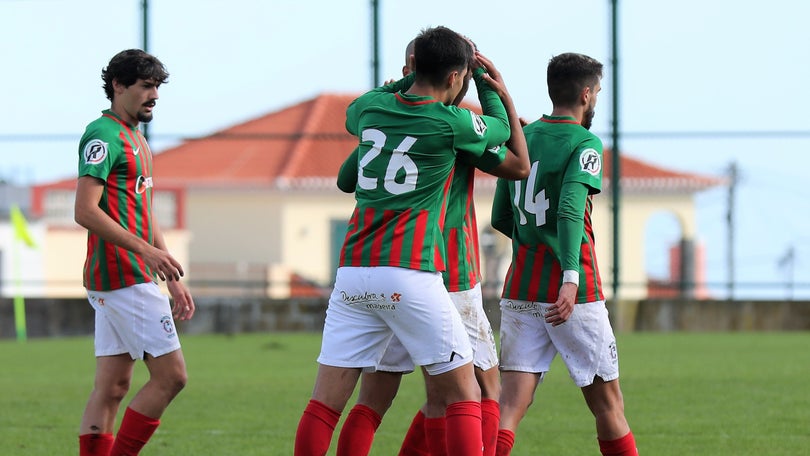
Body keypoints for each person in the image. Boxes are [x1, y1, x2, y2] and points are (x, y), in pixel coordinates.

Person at [294, 26, 519, 456]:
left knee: (325, 404)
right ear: (456, 77)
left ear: (412, 67)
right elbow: (500, 131)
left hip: (353, 271)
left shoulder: (372, 108)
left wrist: (401, 83)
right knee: (464, 395)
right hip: (410, 271)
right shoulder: (449, 122)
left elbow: (355, 115)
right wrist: (491, 88)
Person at [490, 52, 638, 456]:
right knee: (608, 406)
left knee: (509, 406)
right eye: (598, 93)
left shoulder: (522, 137)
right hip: (574, 293)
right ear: (587, 94)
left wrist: (533, 237)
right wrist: (570, 277)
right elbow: (571, 210)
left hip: (521, 288)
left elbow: (501, 216)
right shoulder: (585, 143)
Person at [75, 49, 195, 456]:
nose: (154, 94)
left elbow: (144, 211)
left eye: (157, 86)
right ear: (118, 86)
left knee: (112, 388)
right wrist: (146, 254)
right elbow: (85, 211)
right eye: (145, 86)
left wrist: (172, 277)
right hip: (123, 276)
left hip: (131, 276)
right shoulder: (102, 135)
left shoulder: (137, 139)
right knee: (172, 377)